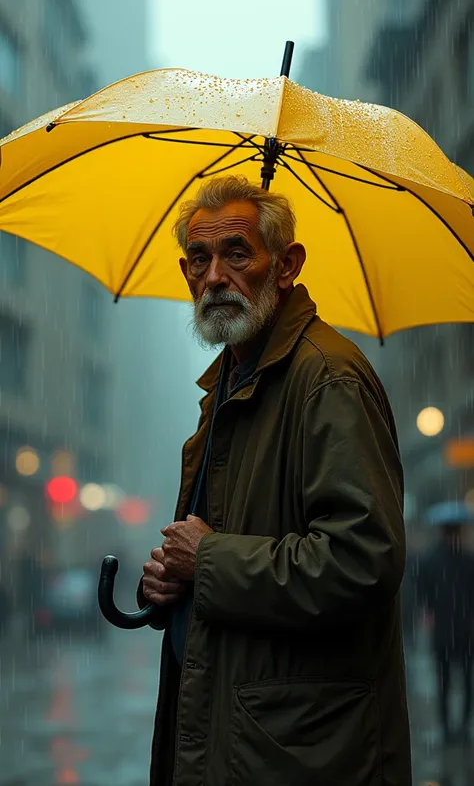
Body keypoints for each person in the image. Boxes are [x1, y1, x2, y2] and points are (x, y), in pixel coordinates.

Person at [138, 175, 411, 786]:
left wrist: (206, 560)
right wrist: (172, 580)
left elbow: (362, 559)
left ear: (286, 266)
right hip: (240, 735)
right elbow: (223, 542)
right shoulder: (229, 385)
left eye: (238, 253)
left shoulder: (328, 379)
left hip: (301, 753)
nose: (214, 277)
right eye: (200, 260)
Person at [419, 522, 474, 746]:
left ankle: (462, 724)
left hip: (465, 630)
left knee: (465, 679)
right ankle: (446, 725)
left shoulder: (468, 561)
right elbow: (423, 591)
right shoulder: (432, 560)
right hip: (444, 629)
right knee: (445, 680)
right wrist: (427, 612)